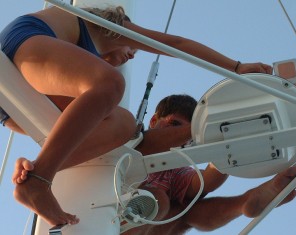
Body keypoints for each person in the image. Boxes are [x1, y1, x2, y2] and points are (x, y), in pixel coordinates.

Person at [0, 4, 273, 226]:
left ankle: (36, 169)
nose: (132, 55)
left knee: (119, 123)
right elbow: (174, 43)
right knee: (112, 85)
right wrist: (236, 67)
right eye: (134, 48)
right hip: (25, 44)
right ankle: (37, 180)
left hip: (13, 103)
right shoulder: (107, 28)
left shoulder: (75, 58)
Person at [12, 95, 296, 235]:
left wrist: (223, 148)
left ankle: (245, 203)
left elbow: (205, 183)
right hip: (105, 205)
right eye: (173, 125)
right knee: (164, 203)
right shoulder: (126, 138)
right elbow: (67, 140)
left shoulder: (174, 168)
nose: (178, 135)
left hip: (143, 226)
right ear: (154, 122)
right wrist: (35, 164)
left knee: (187, 209)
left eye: (186, 132)